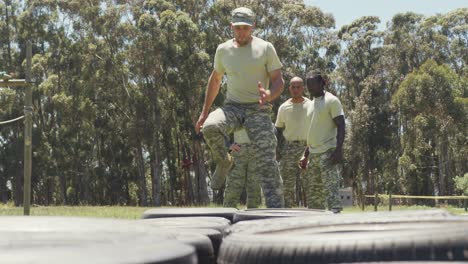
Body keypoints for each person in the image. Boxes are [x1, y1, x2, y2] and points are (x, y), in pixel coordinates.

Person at [194, 7, 285, 208]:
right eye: (237, 28)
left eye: (245, 28)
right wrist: (204, 113)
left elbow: (278, 80)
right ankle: (225, 162)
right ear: (231, 27)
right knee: (210, 127)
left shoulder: (266, 48)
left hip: (257, 109)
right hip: (233, 107)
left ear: (253, 26)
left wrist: (270, 94)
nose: (241, 32)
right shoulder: (223, 50)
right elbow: (216, 80)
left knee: (267, 160)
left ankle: (277, 209)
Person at [299, 70, 345, 211]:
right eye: (307, 85)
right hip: (313, 155)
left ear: (321, 83)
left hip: (328, 154)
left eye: (312, 84)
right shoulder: (309, 104)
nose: (310, 87)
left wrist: (338, 150)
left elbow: (341, 126)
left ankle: (338, 226)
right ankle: (316, 227)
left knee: (332, 196)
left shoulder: (332, 101)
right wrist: (305, 155)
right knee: (314, 198)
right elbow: (313, 132)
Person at [275, 77, 312, 208]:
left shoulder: (311, 105)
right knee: (286, 184)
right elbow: (278, 130)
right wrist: (277, 151)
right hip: (288, 148)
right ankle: (286, 212)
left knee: (309, 181)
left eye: (298, 87)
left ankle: (313, 211)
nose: (295, 90)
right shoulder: (283, 107)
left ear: (303, 88)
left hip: (307, 148)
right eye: (293, 87)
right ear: (289, 89)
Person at [223, 128, 262, 208]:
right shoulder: (235, 115)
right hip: (238, 154)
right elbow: (220, 128)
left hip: (256, 153)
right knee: (233, 186)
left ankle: (254, 216)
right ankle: (228, 214)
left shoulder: (260, 115)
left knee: (254, 187)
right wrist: (228, 145)